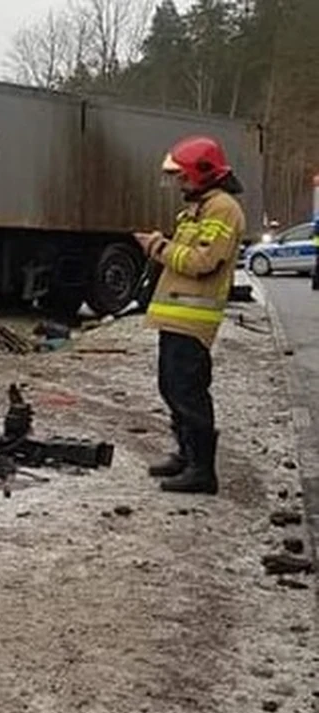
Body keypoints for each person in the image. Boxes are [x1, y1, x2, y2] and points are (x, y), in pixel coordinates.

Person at [134, 135, 246, 495]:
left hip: (193, 318)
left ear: (202, 172)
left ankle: (202, 470)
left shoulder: (223, 209)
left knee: (188, 391)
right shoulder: (200, 207)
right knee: (171, 387)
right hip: (175, 315)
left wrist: (156, 246)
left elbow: (202, 261)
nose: (179, 184)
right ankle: (186, 454)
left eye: (183, 177)